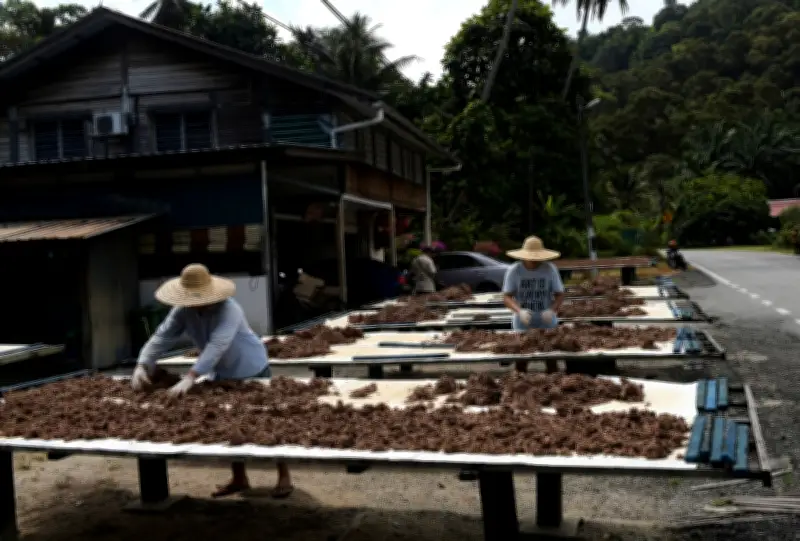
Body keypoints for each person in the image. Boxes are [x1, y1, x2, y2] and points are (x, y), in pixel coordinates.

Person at [130, 263, 294, 499]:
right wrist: (142, 364)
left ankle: (284, 474)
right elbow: (162, 336)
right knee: (231, 423)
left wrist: (191, 377)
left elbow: (218, 345)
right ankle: (239, 478)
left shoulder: (229, 309)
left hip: (251, 368)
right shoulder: (183, 311)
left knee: (267, 419)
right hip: (221, 373)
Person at [502, 236, 565, 371]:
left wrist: (552, 310)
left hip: (546, 320)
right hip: (523, 321)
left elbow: (560, 294)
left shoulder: (549, 269)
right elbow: (506, 297)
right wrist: (519, 311)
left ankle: (553, 386)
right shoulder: (514, 271)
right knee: (521, 361)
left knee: (551, 358)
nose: (534, 261)